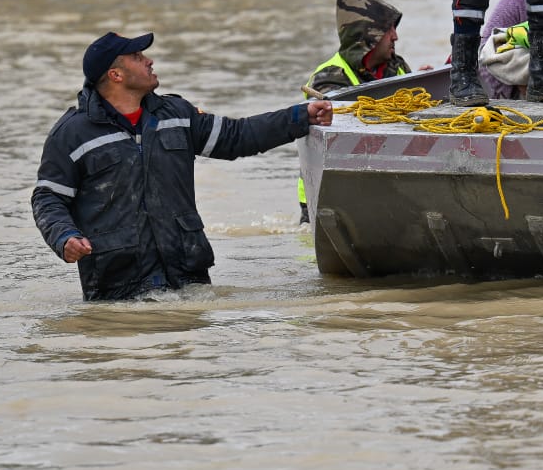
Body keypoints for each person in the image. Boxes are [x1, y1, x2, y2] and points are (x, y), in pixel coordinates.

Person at [32, 33, 335, 301]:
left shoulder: (175, 113)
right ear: (115, 75)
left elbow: (236, 137)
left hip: (188, 279)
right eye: (138, 57)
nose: (149, 61)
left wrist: (300, 117)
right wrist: (64, 238)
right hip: (117, 289)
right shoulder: (72, 133)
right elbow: (48, 197)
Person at [296, 0, 414, 223]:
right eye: (388, 29)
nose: (395, 36)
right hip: (327, 194)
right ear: (368, 37)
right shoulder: (328, 78)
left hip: (383, 186)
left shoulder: (396, 67)